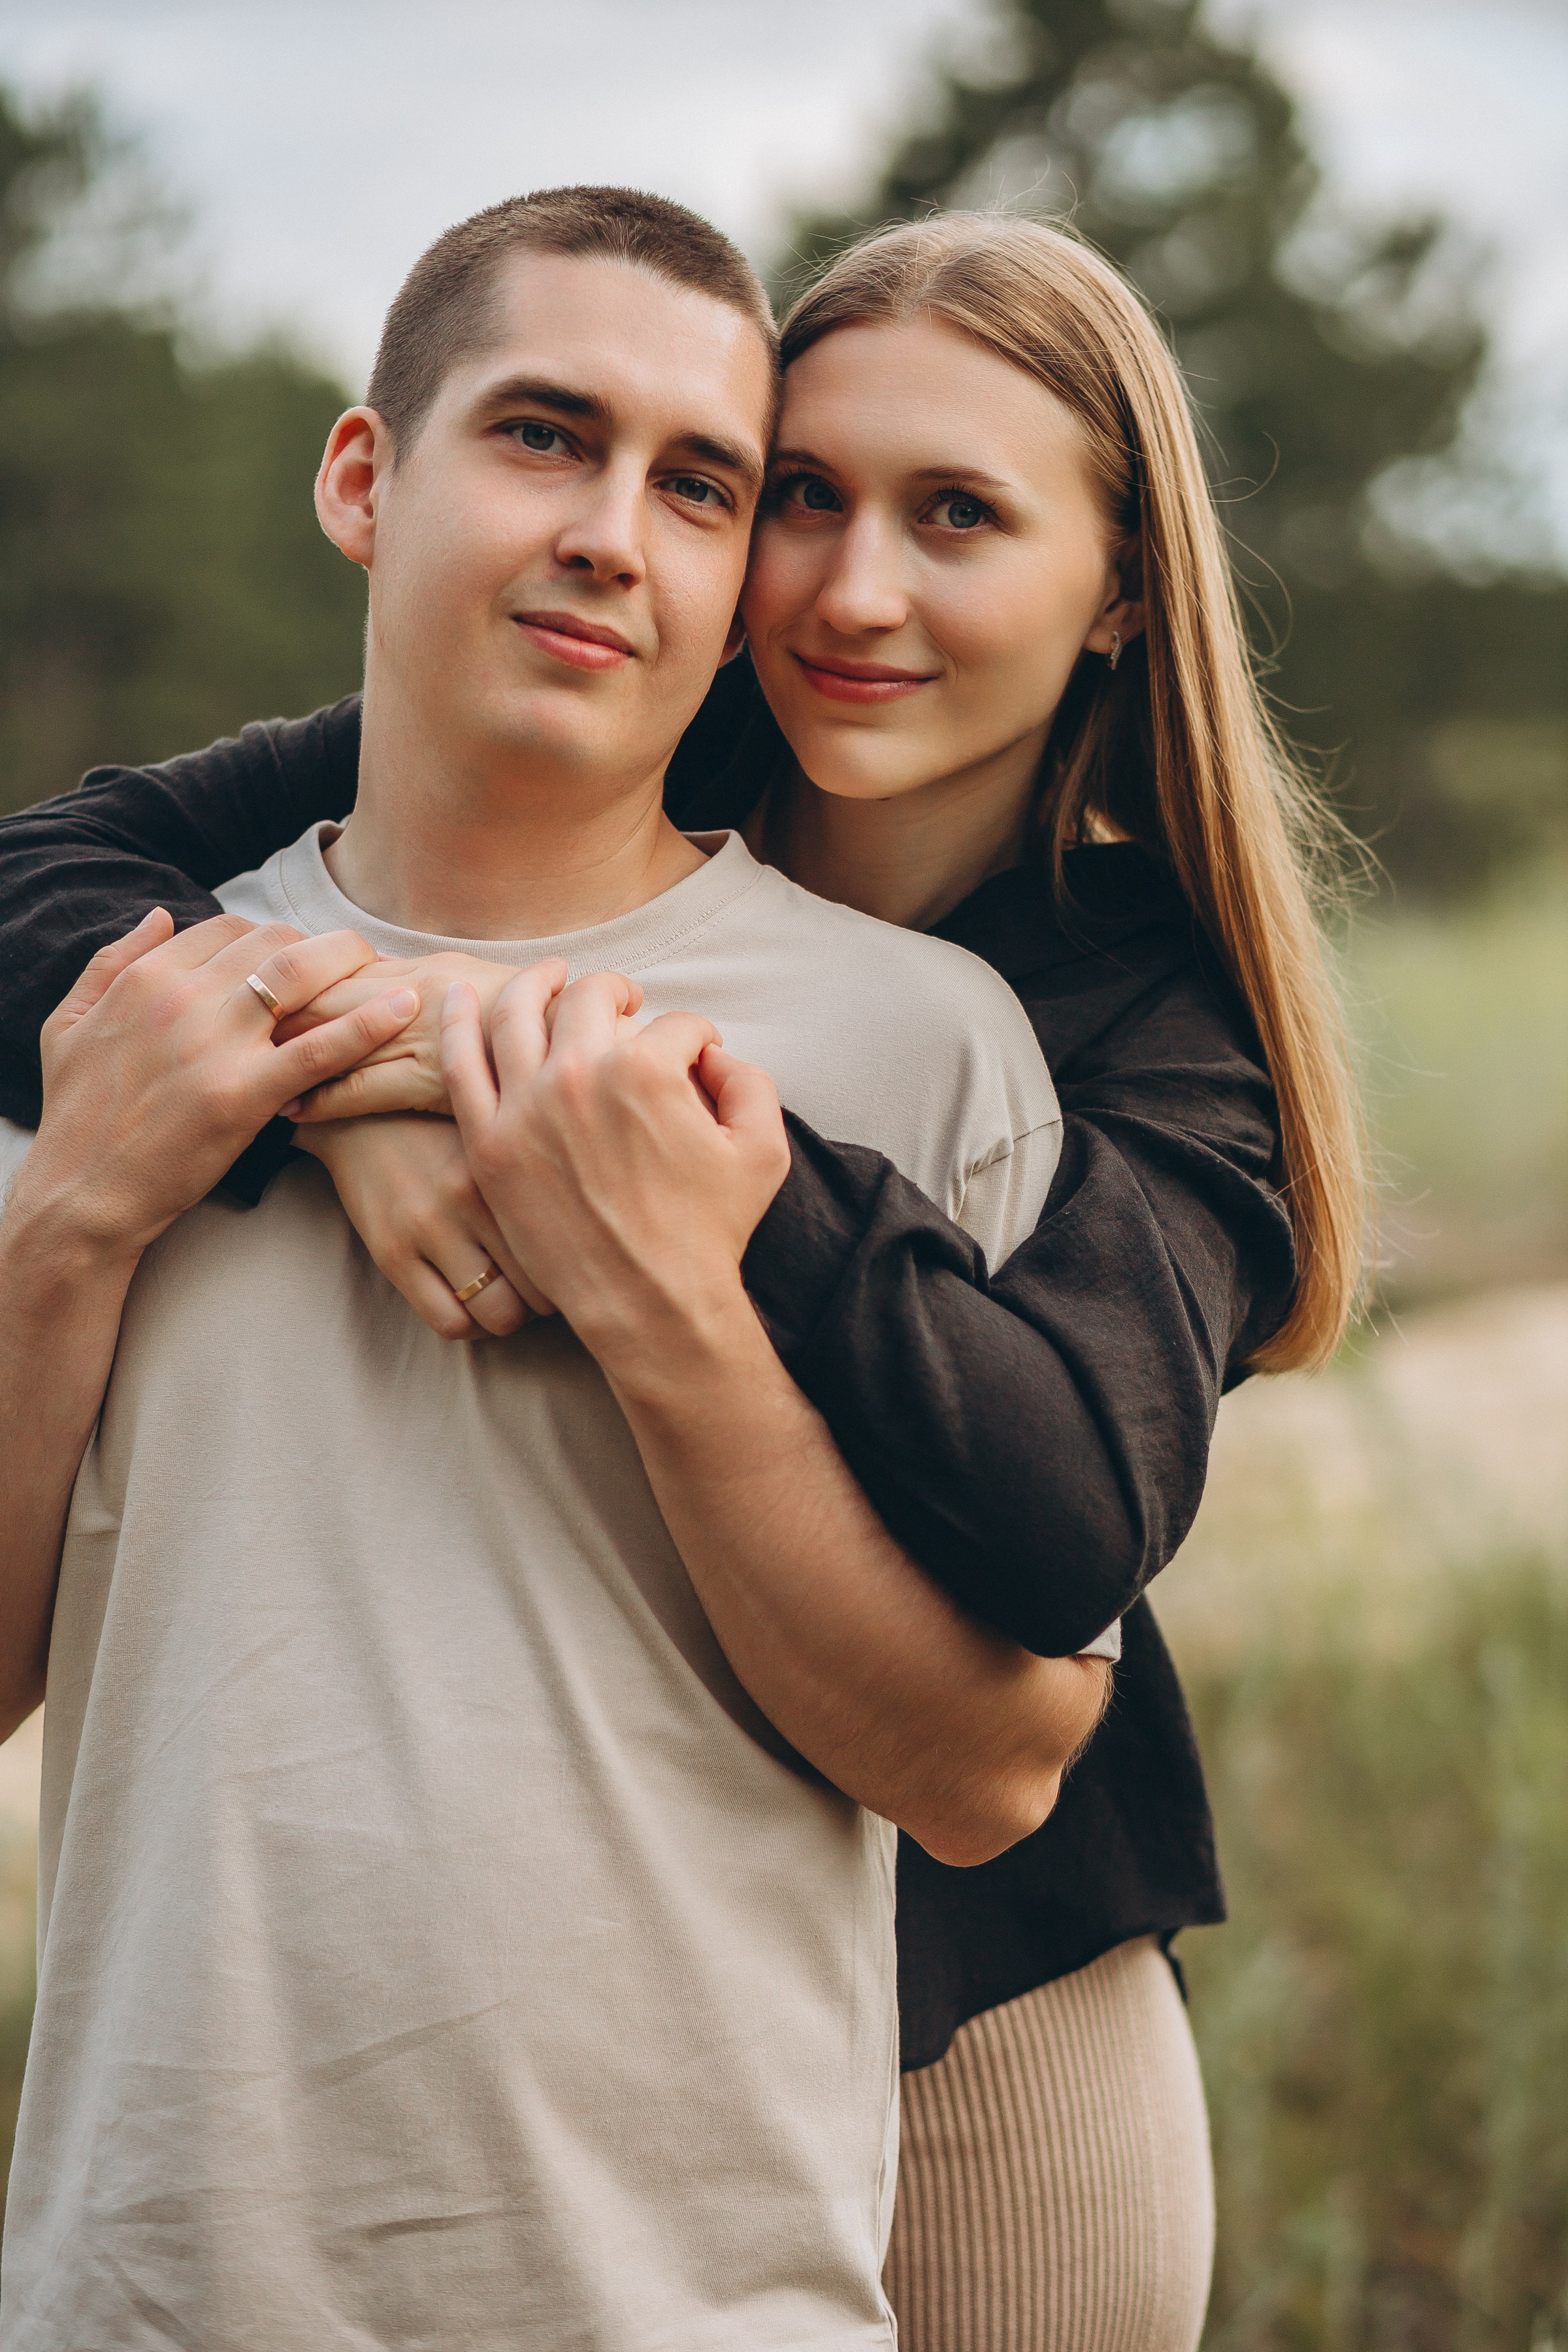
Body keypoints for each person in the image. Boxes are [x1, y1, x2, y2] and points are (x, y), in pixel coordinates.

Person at [0, 214, 1365, 2352]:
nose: (847, 588)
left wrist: (700, 1189)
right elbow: (40, 870)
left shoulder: (1116, 1025)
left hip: (989, 1998)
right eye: (803, 495)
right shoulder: (598, 741)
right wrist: (374, 1075)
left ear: (1115, 599)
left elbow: (1067, 1516)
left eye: (959, 517)